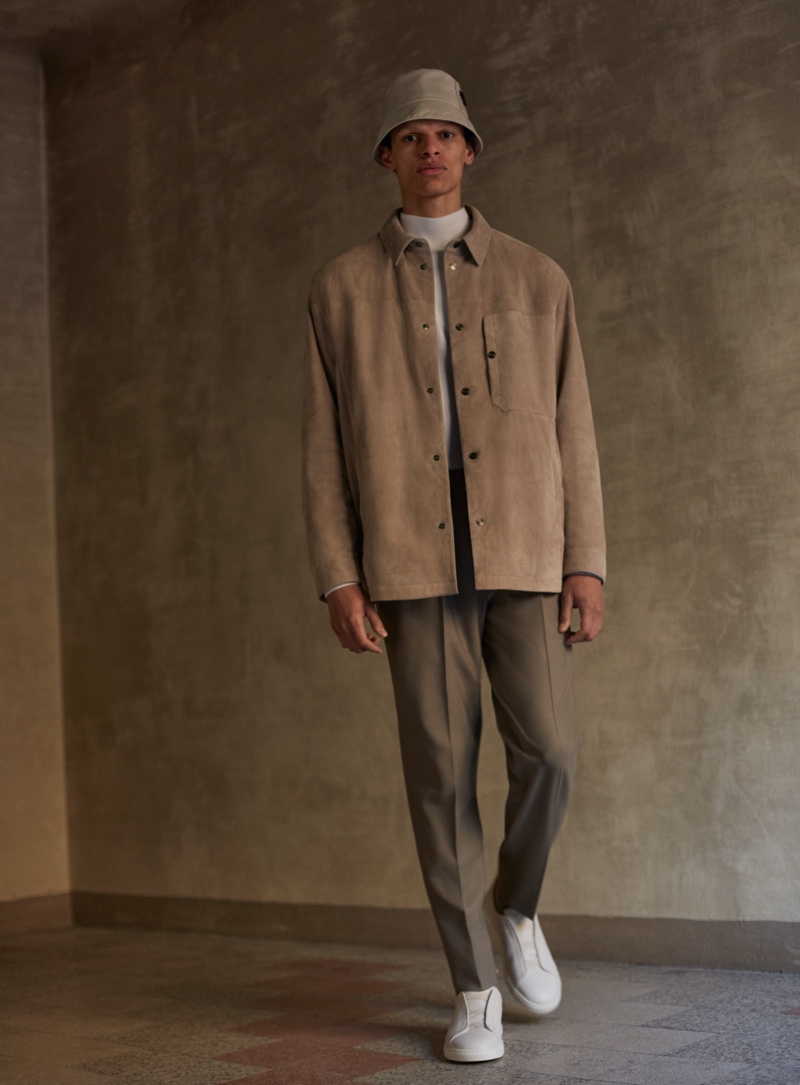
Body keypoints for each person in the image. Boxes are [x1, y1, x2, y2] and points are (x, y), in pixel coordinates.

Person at [302, 68, 605, 1063]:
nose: (428, 148)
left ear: (469, 150)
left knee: (550, 749)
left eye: (445, 133)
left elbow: (572, 426)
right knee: (438, 773)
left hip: (524, 544)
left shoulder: (538, 278)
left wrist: (586, 560)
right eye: (410, 135)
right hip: (407, 555)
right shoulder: (340, 289)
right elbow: (322, 444)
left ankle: (514, 906)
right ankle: (474, 987)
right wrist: (339, 573)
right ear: (386, 157)